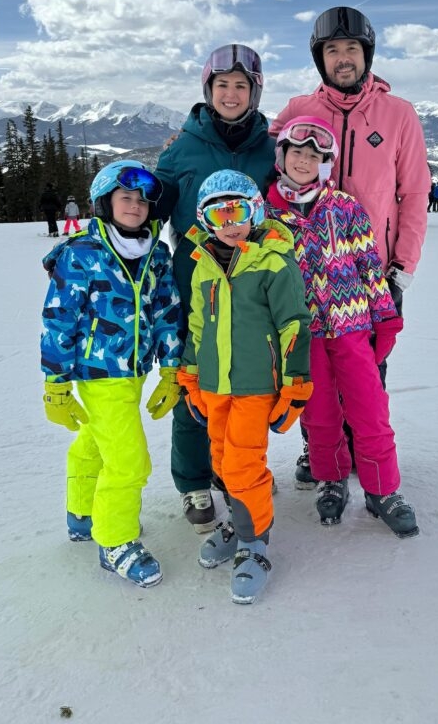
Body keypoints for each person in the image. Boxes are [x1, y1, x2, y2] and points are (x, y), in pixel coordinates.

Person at [270, 6, 430, 485]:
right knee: (311, 368)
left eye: (351, 49)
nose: (343, 59)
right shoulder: (299, 110)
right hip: (303, 268)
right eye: (332, 50)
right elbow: (260, 161)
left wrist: (402, 266)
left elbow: (415, 191)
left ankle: (365, 448)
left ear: (367, 54)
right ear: (321, 59)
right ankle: (319, 449)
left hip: (369, 270)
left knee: (366, 367)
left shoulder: (398, 114)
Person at [266, 117, 418, 537]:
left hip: (352, 328)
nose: (303, 161)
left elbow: (370, 265)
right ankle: (330, 478)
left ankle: (383, 490)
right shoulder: (265, 217)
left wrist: (384, 319)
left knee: (370, 409)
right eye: (296, 152)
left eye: (313, 156)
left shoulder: (344, 207)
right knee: (319, 415)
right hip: (303, 335)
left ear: (325, 164)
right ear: (282, 157)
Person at [41, 159, 184, 589]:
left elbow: (166, 311)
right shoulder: (82, 253)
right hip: (97, 370)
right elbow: (59, 318)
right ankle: (115, 540)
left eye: (142, 199)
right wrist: (55, 382)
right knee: (128, 460)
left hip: (135, 368)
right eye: (126, 197)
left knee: (96, 441)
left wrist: (172, 369)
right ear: (105, 202)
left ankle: (83, 513)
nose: (135, 205)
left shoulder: (156, 253)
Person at [155, 45, 276, 533]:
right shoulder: (180, 149)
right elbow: (148, 210)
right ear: (208, 91)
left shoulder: (271, 148)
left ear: (254, 91)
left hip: (251, 296)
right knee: (197, 388)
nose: (231, 93)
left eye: (241, 85)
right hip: (197, 294)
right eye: (222, 84)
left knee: (244, 390)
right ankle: (193, 482)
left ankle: (234, 471)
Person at [178, 170, 312, 604]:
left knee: (243, 466)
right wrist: (191, 377)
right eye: (220, 213)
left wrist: (294, 386)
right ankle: (238, 523)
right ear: (206, 219)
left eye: (239, 210)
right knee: (220, 457)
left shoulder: (273, 261)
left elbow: (294, 324)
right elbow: (197, 326)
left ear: (256, 210)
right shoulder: (204, 266)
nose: (231, 222)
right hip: (216, 386)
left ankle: (255, 545)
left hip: (256, 386)